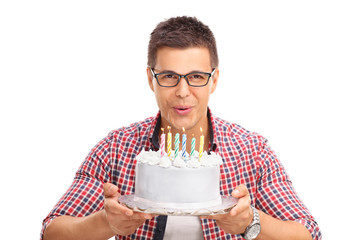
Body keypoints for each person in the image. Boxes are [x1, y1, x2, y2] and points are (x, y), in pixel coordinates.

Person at [41, 16, 322, 240]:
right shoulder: (116, 148)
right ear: (151, 80)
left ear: (214, 80)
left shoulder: (252, 151)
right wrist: (106, 223)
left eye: (197, 76)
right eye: (169, 76)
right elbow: (52, 232)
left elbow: (308, 233)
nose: (183, 91)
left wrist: (251, 223)